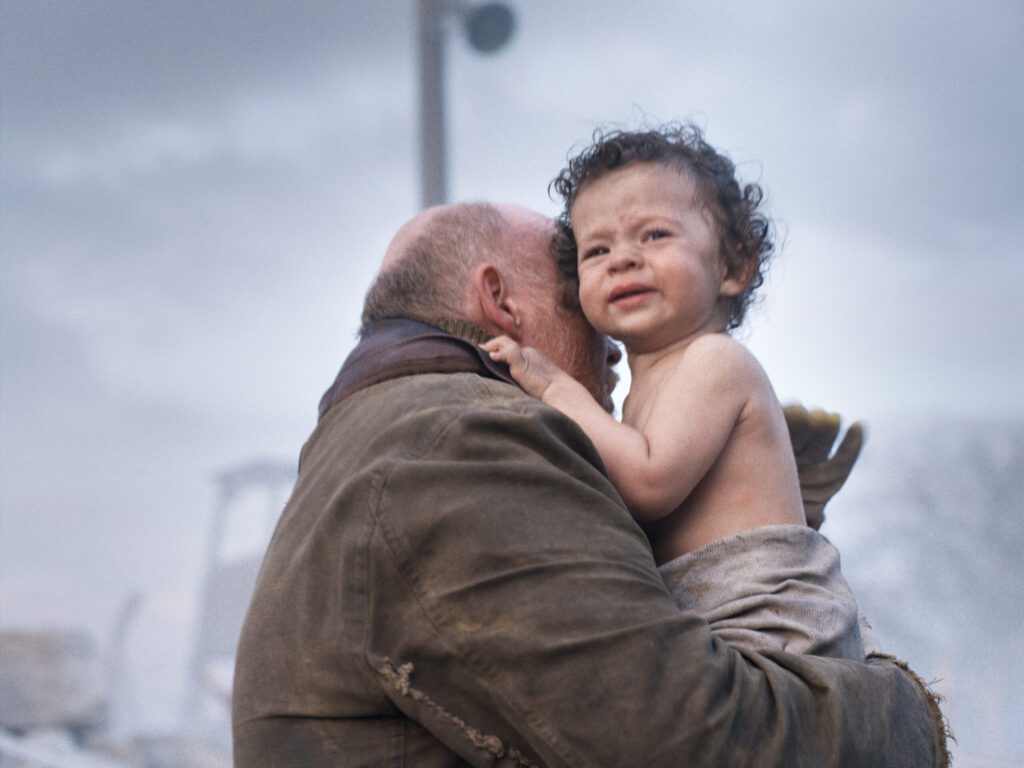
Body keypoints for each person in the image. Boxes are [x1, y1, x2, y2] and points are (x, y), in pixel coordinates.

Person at [232, 201, 949, 766]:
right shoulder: (461, 447)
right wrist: (906, 713)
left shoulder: (399, 436)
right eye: (586, 302)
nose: (617, 350)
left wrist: (731, 520)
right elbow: (689, 744)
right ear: (501, 303)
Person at [482, 124, 862, 659]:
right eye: (596, 250)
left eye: (655, 235)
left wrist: (554, 387)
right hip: (714, 628)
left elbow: (649, 483)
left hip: (782, 634)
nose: (623, 259)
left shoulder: (715, 360)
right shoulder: (639, 397)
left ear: (734, 266)